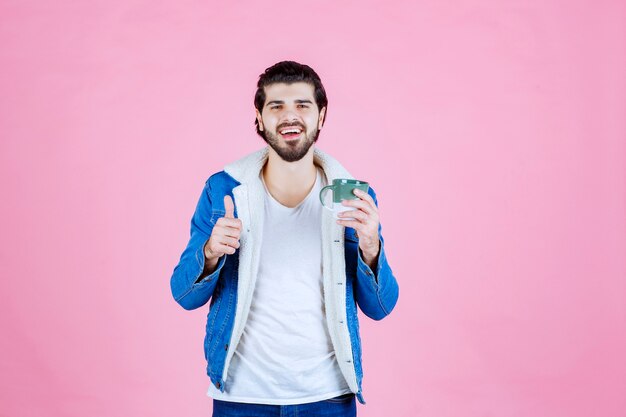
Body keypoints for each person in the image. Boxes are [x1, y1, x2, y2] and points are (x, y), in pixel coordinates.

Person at [170, 61, 399, 417]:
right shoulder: (223, 189)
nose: (289, 116)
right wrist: (211, 253)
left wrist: (371, 247)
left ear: (321, 116)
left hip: (330, 399)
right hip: (241, 400)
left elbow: (381, 308)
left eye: (302, 105)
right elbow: (183, 294)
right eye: (276, 106)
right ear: (259, 118)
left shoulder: (353, 197)